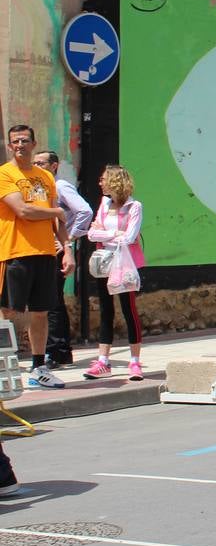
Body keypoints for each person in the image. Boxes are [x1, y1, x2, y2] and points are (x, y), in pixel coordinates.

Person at [0, 125, 76, 389]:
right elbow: (23, 211)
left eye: (24, 140)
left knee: (41, 312)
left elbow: (60, 221)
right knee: (7, 311)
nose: (19, 145)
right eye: (14, 142)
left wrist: (67, 250)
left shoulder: (45, 176)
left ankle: (38, 368)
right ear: (10, 146)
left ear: (33, 143)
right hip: (14, 252)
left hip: (45, 253)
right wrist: (55, 213)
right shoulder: (4, 174)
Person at [83, 165, 148, 380]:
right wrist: (112, 233)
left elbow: (130, 237)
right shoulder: (104, 204)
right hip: (105, 262)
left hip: (125, 263)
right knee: (105, 310)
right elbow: (91, 234)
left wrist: (105, 234)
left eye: (104, 179)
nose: (100, 183)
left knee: (128, 309)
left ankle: (135, 361)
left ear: (115, 181)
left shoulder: (134, 206)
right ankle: (103, 361)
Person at [33, 150, 92, 368]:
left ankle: (56, 352)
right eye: (35, 163)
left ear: (54, 166)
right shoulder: (40, 188)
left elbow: (84, 211)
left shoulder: (60, 186)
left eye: (42, 163)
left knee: (52, 301)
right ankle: (60, 351)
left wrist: (70, 238)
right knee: (51, 301)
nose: (38, 166)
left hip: (56, 250)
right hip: (45, 249)